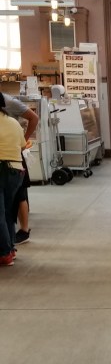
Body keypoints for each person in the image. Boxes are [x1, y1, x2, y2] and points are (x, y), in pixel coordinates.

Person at [2, 93, 39, 244]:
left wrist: (24, 139)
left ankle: (23, 230)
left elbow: (34, 117)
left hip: (13, 154)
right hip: (9, 155)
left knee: (19, 195)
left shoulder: (9, 102)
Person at [0, 92, 28, 266]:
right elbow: (23, 145)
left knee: (0, 213)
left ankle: (4, 253)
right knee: (8, 211)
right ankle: (11, 249)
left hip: (1, 168)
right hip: (16, 171)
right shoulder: (13, 122)